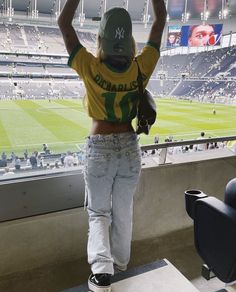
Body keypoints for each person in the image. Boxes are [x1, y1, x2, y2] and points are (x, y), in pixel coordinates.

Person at [58, 1, 166, 291]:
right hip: (130, 149)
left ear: (102, 40)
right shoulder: (141, 67)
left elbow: (64, 25)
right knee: (123, 210)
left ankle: (102, 273)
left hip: (100, 148)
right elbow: (159, 22)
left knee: (99, 213)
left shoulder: (89, 66)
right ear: (129, 40)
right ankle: (120, 263)